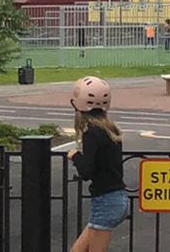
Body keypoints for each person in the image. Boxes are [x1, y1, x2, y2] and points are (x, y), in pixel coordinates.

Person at [68, 76, 128, 252]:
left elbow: (87, 171)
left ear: (76, 105)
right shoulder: (110, 129)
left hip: (105, 201)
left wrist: (75, 156)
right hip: (117, 198)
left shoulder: (92, 133)